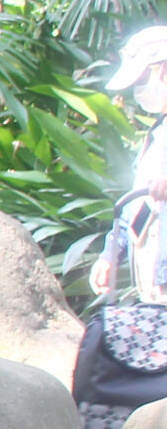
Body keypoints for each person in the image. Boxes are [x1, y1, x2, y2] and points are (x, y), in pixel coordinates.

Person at [94, 24, 167, 304]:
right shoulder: (158, 133)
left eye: (141, 80)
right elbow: (136, 204)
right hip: (154, 283)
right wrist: (111, 252)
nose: (139, 90)